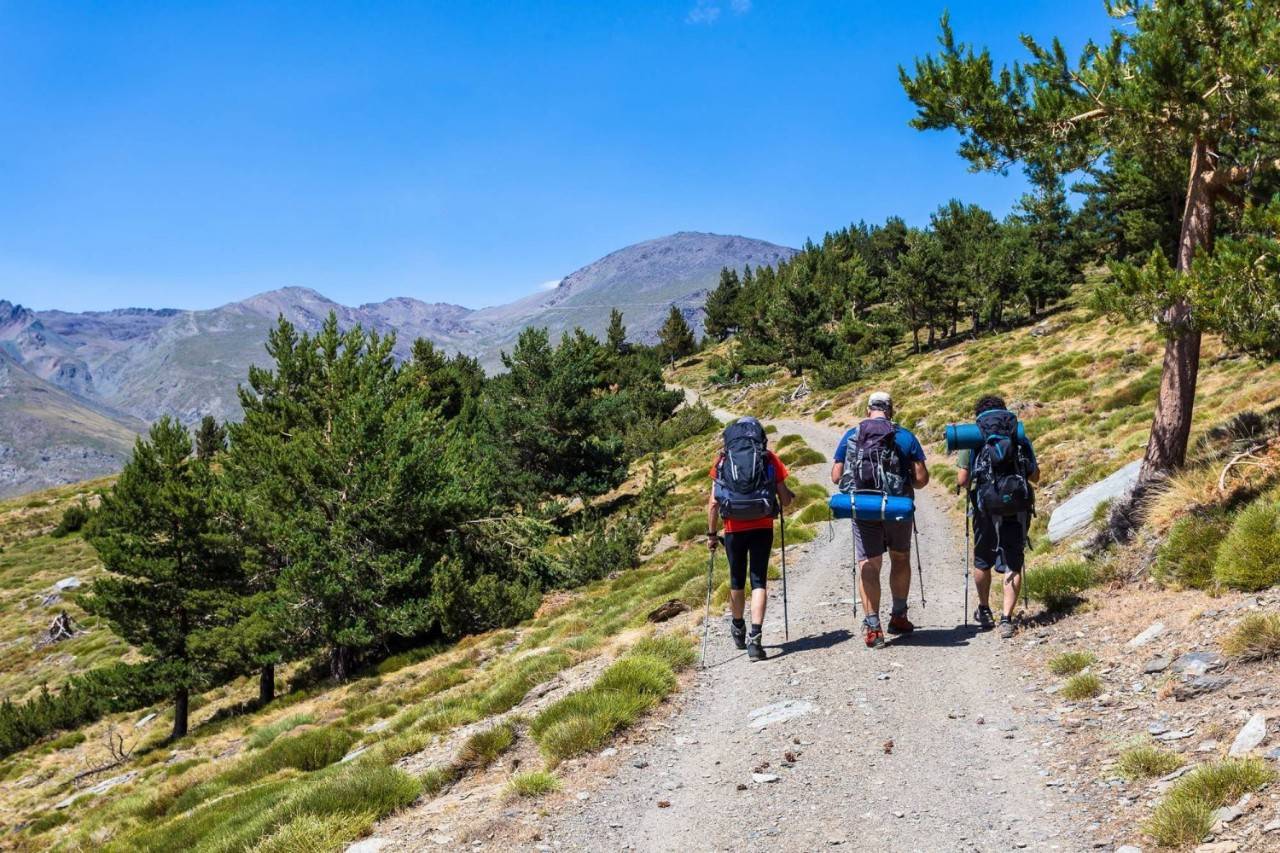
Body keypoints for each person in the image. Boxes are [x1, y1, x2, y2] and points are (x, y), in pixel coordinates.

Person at [831, 391, 929, 648]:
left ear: (867, 410)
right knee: (899, 557)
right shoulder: (905, 436)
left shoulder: (851, 436)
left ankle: (873, 626)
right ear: (891, 410)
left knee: (868, 564)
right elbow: (921, 480)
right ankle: (898, 616)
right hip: (896, 508)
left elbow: (835, 476)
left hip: (864, 509)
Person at [707, 417, 795, 662]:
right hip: (762, 525)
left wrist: (712, 535)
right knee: (758, 580)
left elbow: (714, 503)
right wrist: (788, 498)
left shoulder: (723, 460)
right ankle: (755, 640)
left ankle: (738, 627)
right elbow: (784, 499)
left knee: (736, 580)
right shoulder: (769, 458)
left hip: (733, 528)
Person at [956, 395, 1040, 639]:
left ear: (978, 415)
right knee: (1013, 559)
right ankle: (1006, 618)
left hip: (985, 506)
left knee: (983, 559)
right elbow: (1035, 476)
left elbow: (963, 480)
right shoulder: (1017, 434)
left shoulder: (973, 437)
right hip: (1016, 504)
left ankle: (984, 610)